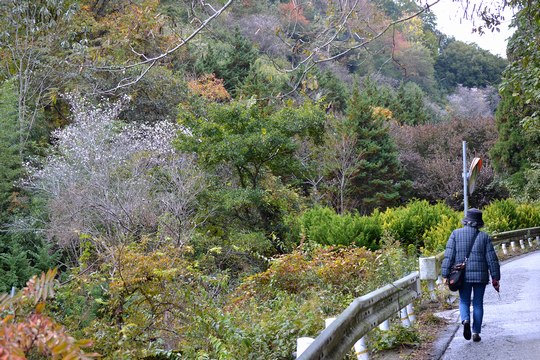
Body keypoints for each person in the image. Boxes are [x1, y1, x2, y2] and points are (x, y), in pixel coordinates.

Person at [442, 208, 500, 342]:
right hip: (481, 276)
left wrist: (445, 274)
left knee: (464, 301)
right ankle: (476, 333)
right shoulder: (484, 237)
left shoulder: (455, 234)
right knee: (478, 303)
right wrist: (495, 277)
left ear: (466, 221)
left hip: (462, 276)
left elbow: (448, 256)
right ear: (479, 223)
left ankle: (465, 320)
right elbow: (492, 259)